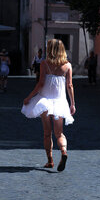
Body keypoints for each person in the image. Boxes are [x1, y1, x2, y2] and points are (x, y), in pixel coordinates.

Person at [21, 39, 76, 171]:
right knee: (59, 133)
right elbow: (69, 85)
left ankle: (50, 160)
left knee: (47, 133)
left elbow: (40, 84)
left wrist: (29, 97)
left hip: (45, 101)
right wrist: (72, 103)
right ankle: (64, 152)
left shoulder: (45, 63)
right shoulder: (67, 65)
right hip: (60, 102)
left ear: (50, 49)